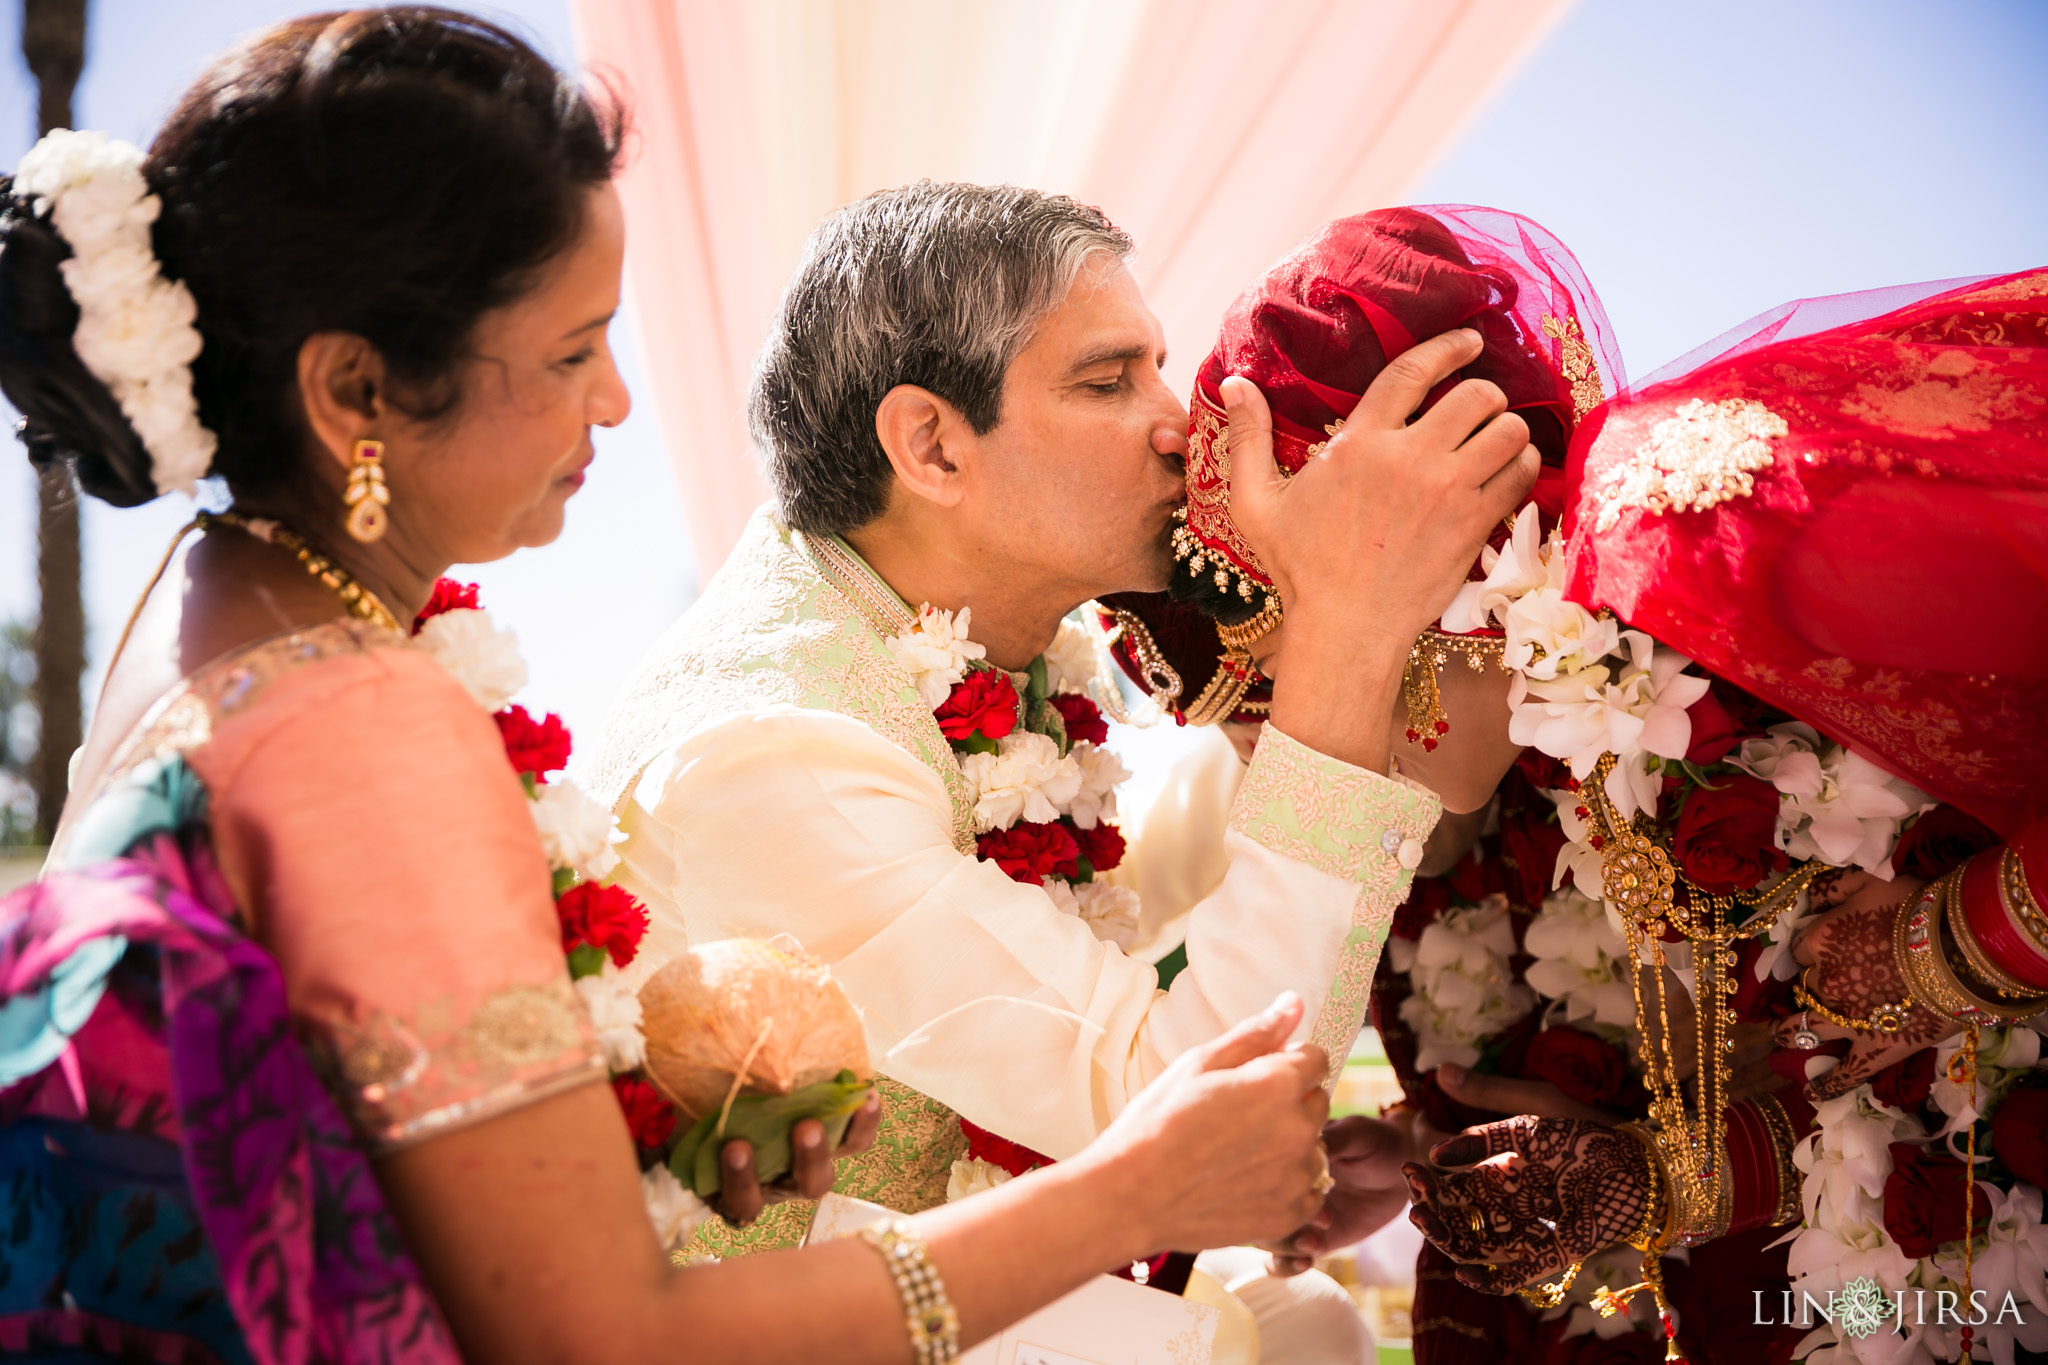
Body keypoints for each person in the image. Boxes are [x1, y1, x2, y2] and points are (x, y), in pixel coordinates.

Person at [0, 11, 1339, 1363]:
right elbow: (600, 1339)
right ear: (356, 389)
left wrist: (658, 1135)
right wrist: (1136, 1192)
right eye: (574, 351)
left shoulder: (207, 603)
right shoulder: (369, 720)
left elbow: (344, 1134)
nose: (620, 404)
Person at [1127, 227, 2048, 1361]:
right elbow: (1844, 1102)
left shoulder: (1730, 535)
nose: (1335, 734)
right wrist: (1596, 1172)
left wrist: (1951, 942)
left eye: (1326, 658)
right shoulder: (1528, 756)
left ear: (1443, 563)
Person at [590, 179, 1544, 1268]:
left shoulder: (995, 653)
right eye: (1106, 382)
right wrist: (1348, 629)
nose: (1178, 425)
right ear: (932, 448)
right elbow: (1179, 1103)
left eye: (1155, 366)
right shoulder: (772, 754)